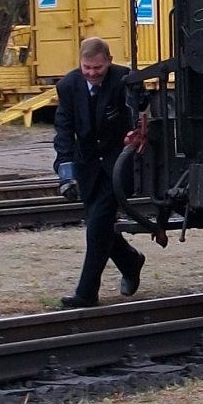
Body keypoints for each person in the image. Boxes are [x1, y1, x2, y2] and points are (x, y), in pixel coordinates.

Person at [53, 37, 145, 308]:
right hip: (88, 166)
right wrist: (66, 172)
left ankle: (86, 293)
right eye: (87, 68)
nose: (92, 73)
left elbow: (139, 113)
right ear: (80, 63)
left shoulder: (124, 80)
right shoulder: (68, 86)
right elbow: (64, 130)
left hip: (118, 164)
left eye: (98, 68)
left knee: (97, 224)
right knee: (99, 224)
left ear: (109, 61)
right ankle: (130, 261)